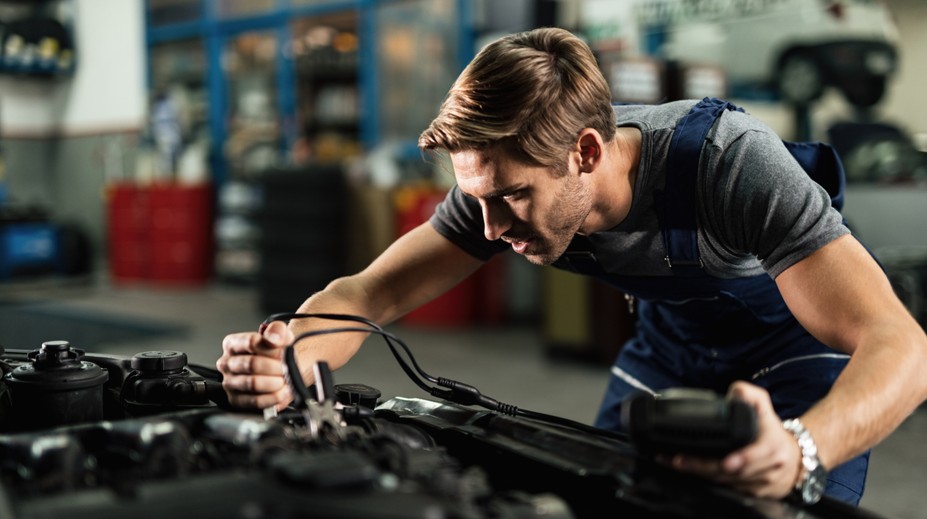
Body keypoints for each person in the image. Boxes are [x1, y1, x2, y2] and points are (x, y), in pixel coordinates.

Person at [216, 27, 927, 506]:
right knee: (605, 495)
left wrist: (801, 449)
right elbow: (374, 290)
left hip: (789, 352)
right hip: (669, 348)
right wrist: (286, 352)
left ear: (585, 153)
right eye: (478, 198)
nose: (488, 228)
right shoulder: (501, 182)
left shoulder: (726, 163)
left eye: (512, 197)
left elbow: (900, 344)